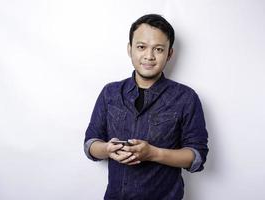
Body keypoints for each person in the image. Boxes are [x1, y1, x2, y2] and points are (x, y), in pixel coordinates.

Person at [84, 14, 209, 200]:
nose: (149, 56)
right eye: (141, 47)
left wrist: (153, 153)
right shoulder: (110, 92)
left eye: (158, 49)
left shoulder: (186, 98)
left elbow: (197, 156)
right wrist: (107, 149)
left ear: (169, 54)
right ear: (130, 49)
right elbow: (90, 144)